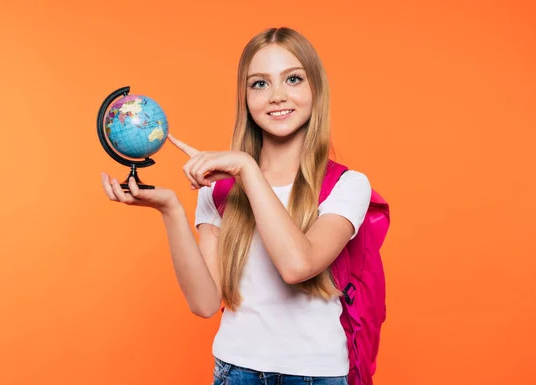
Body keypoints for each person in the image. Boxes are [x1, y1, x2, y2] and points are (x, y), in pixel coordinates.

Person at [101, 27, 372, 385]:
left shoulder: (348, 185)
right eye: (259, 84)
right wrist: (170, 210)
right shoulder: (218, 191)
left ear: (315, 90)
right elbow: (205, 304)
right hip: (235, 371)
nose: (276, 96)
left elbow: (298, 265)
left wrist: (246, 167)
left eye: (292, 79)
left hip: (316, 375)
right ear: (244, 98)